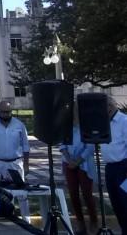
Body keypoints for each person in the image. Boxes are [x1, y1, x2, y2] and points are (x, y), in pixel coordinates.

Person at [59, 103, 98, 235]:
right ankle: (80, 224)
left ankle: (93, 222)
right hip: (68, 162)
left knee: (87, 194)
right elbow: (61, 144)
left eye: (76, 110)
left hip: (84, 163)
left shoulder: (86, 126)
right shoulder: (65, 125)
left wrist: (77, 161)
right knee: (73, 194)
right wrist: (70, 161)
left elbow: (90, 147)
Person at [101, 96, 127, 233]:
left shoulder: (124, 121)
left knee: (125, 202)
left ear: (112, 106)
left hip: (124, 168)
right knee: (115, 203)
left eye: (105, 107)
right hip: (110, 168)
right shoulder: (105, 122)